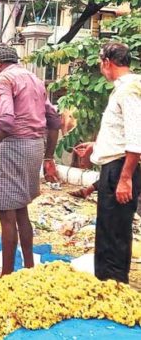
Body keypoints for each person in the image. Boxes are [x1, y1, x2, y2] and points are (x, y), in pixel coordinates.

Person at [0, 44, 60, 276]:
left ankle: (7, 276)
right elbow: (54, 120)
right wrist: (48, 156)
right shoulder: (34, 79)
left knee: (6, 214)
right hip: (34, 147)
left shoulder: (4, 79)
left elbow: (7, 120)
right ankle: (29, 267)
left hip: (11, 146)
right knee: (21, 209)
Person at [75, 42, 141, 283]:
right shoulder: (124, 88)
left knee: (113, 232)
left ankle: (113, 286)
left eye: (100, 63)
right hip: (116, 165)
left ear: (107, 62)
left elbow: (136, 138)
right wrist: (97, 146)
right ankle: (106, 283)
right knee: (108, 228)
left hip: (121, 169)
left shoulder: (129, 90)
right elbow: (123, 132)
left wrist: (125, 179)